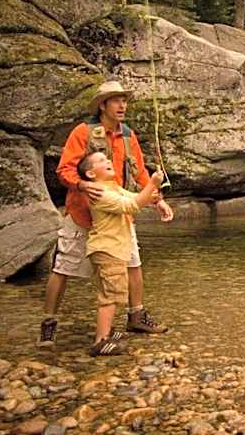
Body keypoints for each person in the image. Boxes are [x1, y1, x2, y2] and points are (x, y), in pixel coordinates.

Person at [38, 80, 174, 347]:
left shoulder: (128, 135)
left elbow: (139, 173)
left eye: (124, 100)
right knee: (62, 268)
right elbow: (64, 169)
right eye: (116, 100)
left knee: (134, 264)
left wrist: (157, 200)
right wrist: (81, 184)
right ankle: (49, 323)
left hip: (119, 215)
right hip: (81, 213)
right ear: (103, 105)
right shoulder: (82, 132)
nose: (122, 105)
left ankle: (136, 316)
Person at [78, 150, 165, 356]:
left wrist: (154, 196)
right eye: (100, 161)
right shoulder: (99, 193)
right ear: (90, 174)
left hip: (111, 249)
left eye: (106, 158)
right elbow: (131, 206)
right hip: (108, 249)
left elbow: (136, 198)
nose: (107, 161)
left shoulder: (112, 187)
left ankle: (108, 332)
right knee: (110, 296)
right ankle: (101, 341)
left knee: (114, 293)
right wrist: (151, 184)